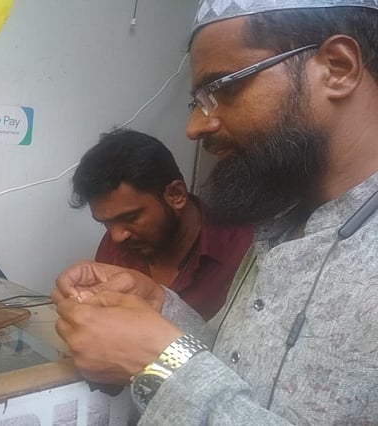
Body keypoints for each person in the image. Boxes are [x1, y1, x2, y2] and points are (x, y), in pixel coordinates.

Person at [52, 1, 378, 424]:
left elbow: (188, 375)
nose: (194, 128)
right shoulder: (280, 223)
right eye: (199, 101)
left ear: (338, 68)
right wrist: (159, 307)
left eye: (222, 88)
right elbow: (233, 366)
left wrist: (160, 364)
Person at [71, 129, 252, 320]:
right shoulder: (116, 244)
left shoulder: (243, 253)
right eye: (105, 223)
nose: (116, 236)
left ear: (175, 195)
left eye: (131, 217)